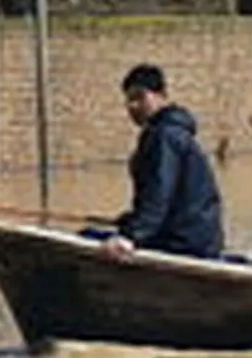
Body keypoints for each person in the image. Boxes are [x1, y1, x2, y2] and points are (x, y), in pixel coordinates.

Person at [88, 64, 225, 261]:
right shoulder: (167, 132)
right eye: (128, 100)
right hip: (194, 237)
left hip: (184, 241)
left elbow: (159, 192)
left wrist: (132, 237)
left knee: (89, 236)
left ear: (161, 95)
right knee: (92, 233)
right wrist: (130, 222)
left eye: (139, 97)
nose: (132, 106)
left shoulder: (165, 136)